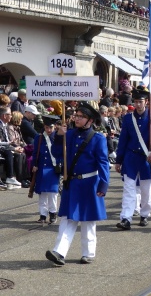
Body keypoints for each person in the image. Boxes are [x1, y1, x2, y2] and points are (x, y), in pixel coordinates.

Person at [45, 102, 109, 266]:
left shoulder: (98, 138)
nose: (76, 119)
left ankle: (88, 253)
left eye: (81, 117)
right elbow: (57, 153)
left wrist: (103, 184)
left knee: (88, 220)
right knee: (68, 218)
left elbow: (103, 163)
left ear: (90, 120)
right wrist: (59, 136)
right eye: (76, 116)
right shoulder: (69, 134)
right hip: (72, 183)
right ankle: (59, 252)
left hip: (89, 183)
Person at [115, 89, 151, 230]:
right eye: (136, 102)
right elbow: (123, 140)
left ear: (146, 102)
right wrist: (119, 160)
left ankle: (144, 214)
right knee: (129, 189)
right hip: (131, 157)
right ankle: (126, 218)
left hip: (146, 158)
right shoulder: (129, 118)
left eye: (140, 102)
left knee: (147, 190)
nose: (138, 104)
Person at [32, 115, 61, 224]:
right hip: (41, 168)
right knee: (42, 193)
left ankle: (53, 213)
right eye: (46, 127)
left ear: (55, 127)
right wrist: (34, 164)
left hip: (53, 169)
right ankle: (43, 214)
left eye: (51, 127)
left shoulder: (59, 138)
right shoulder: (38, 138)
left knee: (52, 193)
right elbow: (36, 153)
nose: (48, 130)